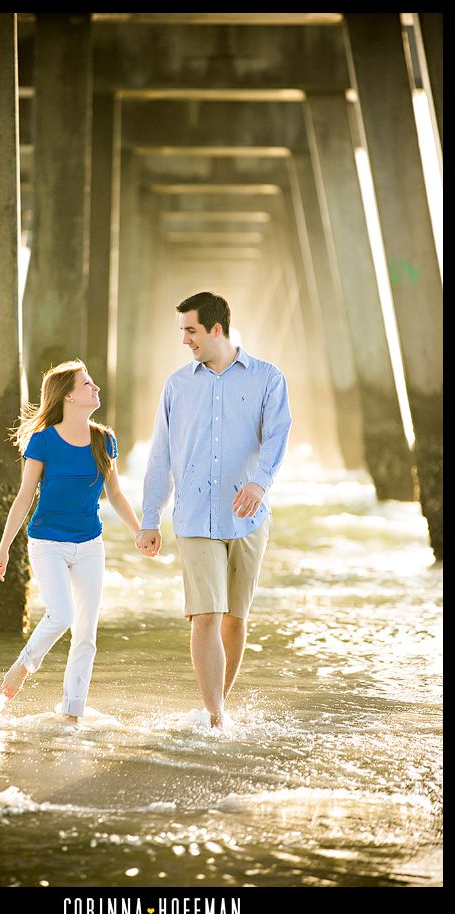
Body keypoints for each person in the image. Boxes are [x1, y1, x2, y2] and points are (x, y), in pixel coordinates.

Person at [136, 292, 292, 729]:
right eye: (182, 330)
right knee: (205, 615)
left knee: (234, 621)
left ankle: (214, 708)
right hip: (193, 517)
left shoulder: (267, 378)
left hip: (248, 518)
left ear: (216, 329)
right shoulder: (177, 385)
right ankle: (216, 716)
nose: (185, 340)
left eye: (191, 330)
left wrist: (261, 483)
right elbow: (160, 456)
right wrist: (151, 518)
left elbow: (279, 435)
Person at [0, 359, 141, 722]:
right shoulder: (43, 441)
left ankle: (72, 712)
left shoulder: (103, 440)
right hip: (48, 543)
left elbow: (116, 494)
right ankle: (23, 666)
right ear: (69, 396)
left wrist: (140, 531)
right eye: (87, 384)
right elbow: (25, 496)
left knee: (86, 633)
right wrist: (3, 548)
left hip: (90, 544)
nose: (96, 388)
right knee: (61, 615)